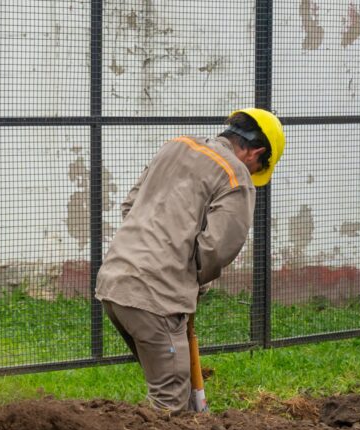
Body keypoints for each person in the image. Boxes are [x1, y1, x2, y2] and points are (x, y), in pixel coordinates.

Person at [95, 108, 285, 411]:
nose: (253, 174)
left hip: (115, 282)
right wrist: (192, 278)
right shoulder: (236, 175)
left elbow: (131, 204)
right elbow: (217, 249)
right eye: (259, 167)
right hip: (155, 297)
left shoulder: (176, 146)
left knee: (172, 390)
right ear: (256, 153)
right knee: (170, 400)